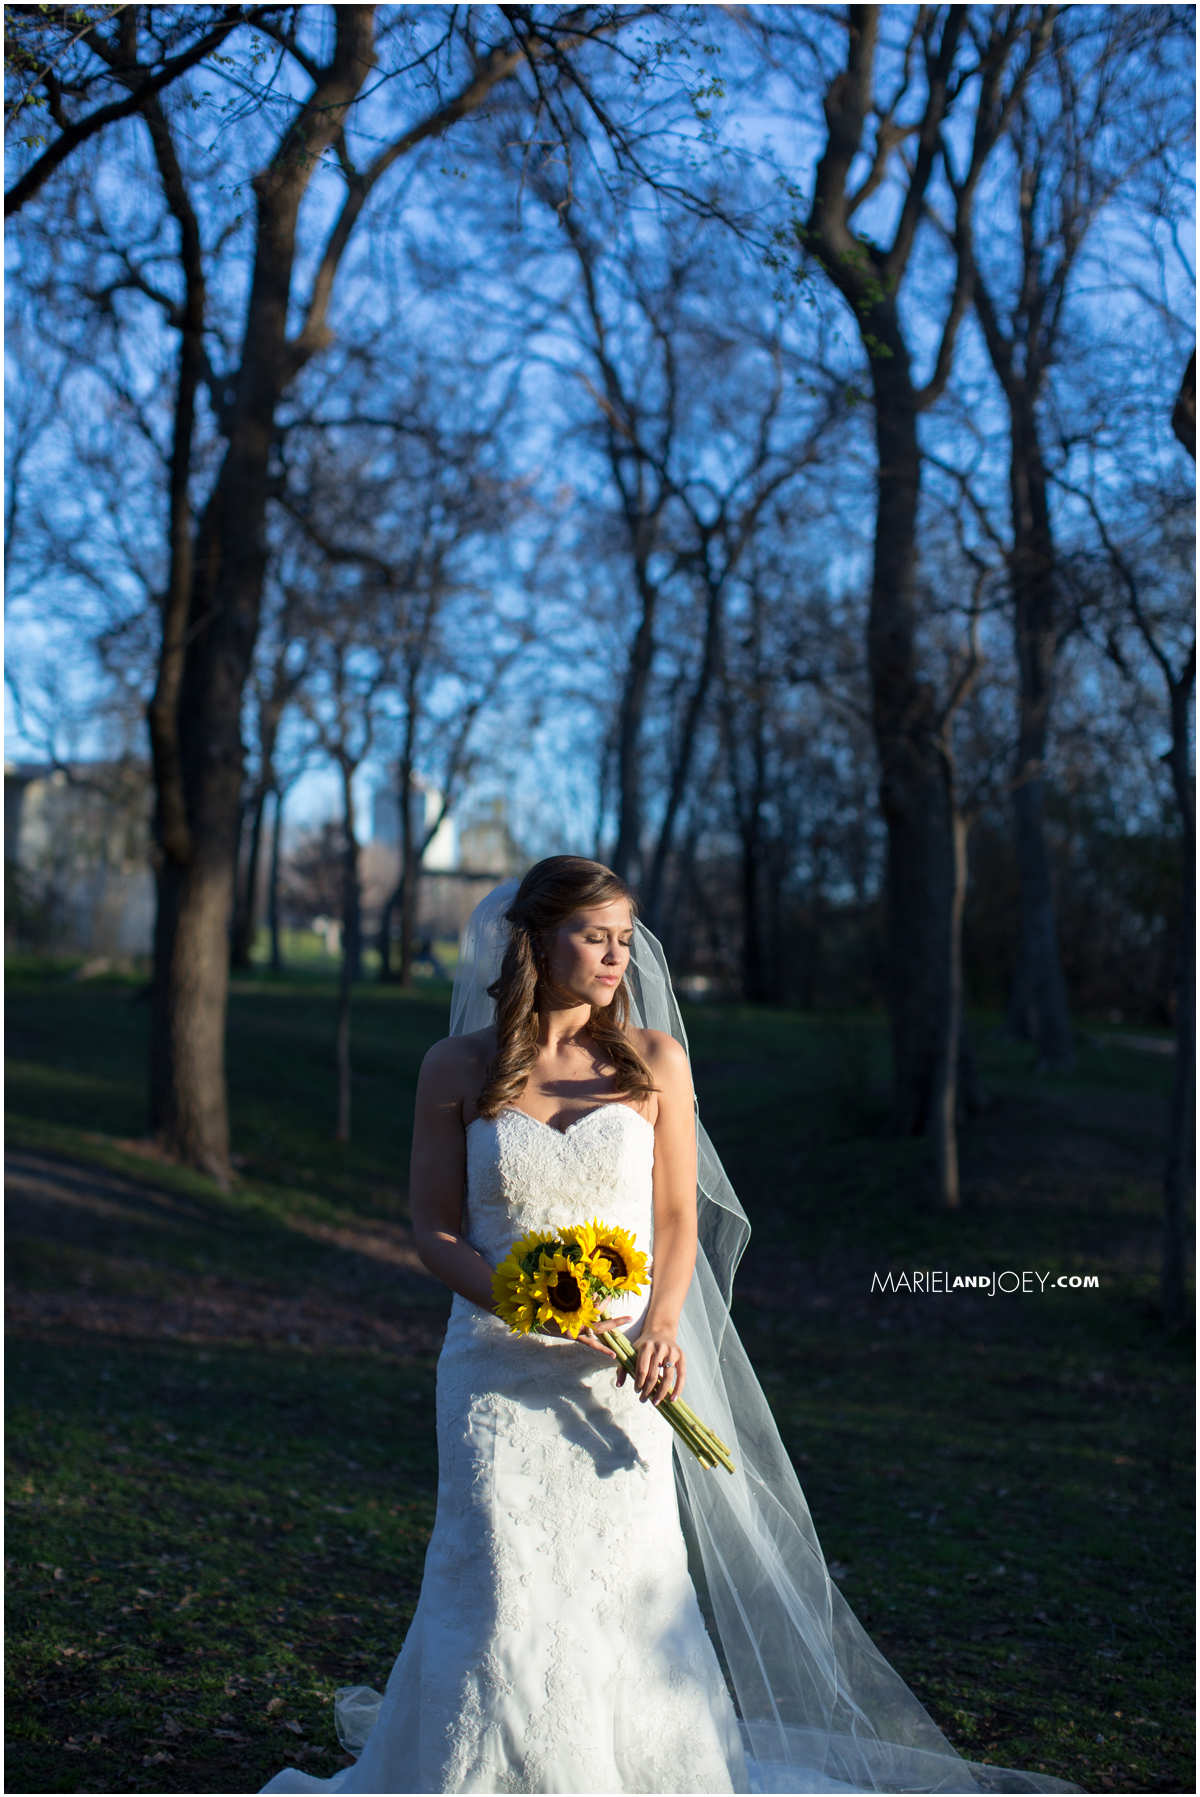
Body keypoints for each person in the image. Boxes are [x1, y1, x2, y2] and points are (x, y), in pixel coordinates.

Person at [261, 857, 1075, 1797]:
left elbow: (679, 1219)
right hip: (492, 1371)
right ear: (537, 937)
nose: (617, 957)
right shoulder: (455, 1066)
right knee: (498, 1594)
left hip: (623, 1379)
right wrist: (519, 1297)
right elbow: (431, 1227)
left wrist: (661, 1325)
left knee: (623, 1593)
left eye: (624, 937)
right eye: (594, 935)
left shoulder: (655, 1061)